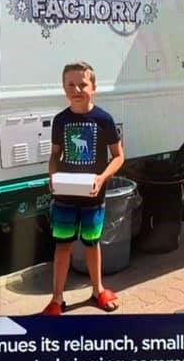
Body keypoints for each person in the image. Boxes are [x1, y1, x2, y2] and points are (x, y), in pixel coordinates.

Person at [42, 61, 125, 315]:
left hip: (93, 195)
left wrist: (101, 179)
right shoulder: (60, 121)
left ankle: (97, 290)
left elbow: (119, 156)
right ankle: (57, 299)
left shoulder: (104, 119)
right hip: (65, 196)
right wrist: (52, 175)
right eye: (70, 84)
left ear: (94, 87)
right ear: (63, 88)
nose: (76, 89)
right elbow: (55, 155)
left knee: (92, 244)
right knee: (62, 245)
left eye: (82, 84)